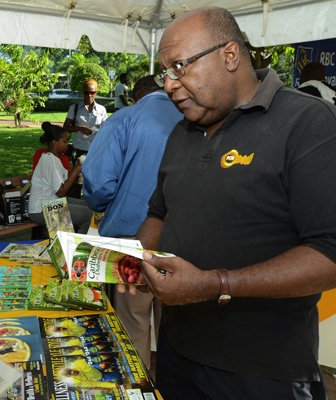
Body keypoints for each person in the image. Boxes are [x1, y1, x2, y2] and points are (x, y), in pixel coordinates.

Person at [118, 7, 336, 400]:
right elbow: (158, 212)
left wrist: (214, 284)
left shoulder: (307, 122)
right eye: (164, 73)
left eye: (179, 66)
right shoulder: (181, 133)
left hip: (264, 371)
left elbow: (329, 253)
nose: (168, 85)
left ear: (230, 55)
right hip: (177, 353)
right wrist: (141, 257)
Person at [81, 74, 183, 369]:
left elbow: (99, 183)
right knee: (175, 328)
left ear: (136, 96)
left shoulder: (125, 118)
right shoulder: (190, 116)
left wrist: (104, 206)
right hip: (181, 241)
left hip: (132, 242)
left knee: (132, 325)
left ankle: (139, 386)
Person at [28, 122, 92, 234]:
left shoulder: (54, 158)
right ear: (54, 142)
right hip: (40, 209)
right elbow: (61, 191)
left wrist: (78, 168)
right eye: (64, 141)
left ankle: (73, 241)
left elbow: (67, 179)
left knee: (90, 206)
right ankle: (79, 244)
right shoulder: (49, 159)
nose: (67, 144)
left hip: (52, 203)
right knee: (88, 215)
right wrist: (77, 169)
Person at [62, 79, 108, 160]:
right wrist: (79, 128)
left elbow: (106, 129)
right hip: (79, 148)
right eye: (86, 93)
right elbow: (65, 127)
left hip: (95, 149)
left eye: (92, 92)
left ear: (96, 93)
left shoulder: (102, 109)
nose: (89, 95)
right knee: (78, 172)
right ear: (82, 93)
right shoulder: (74, 108)